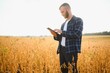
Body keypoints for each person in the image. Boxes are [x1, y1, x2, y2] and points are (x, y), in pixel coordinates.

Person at [53, 3, 83, 73]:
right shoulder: (63, 24)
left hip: (71, 50)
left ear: (68, 9)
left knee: (73, 71)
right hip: (62, 50)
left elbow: (77, 34)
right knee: (63, 70)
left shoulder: (78, 20)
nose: (61, 14)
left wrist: (62, 32)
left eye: (62, 12)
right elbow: (61, 38)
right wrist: (55, 35)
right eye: (61, 12)